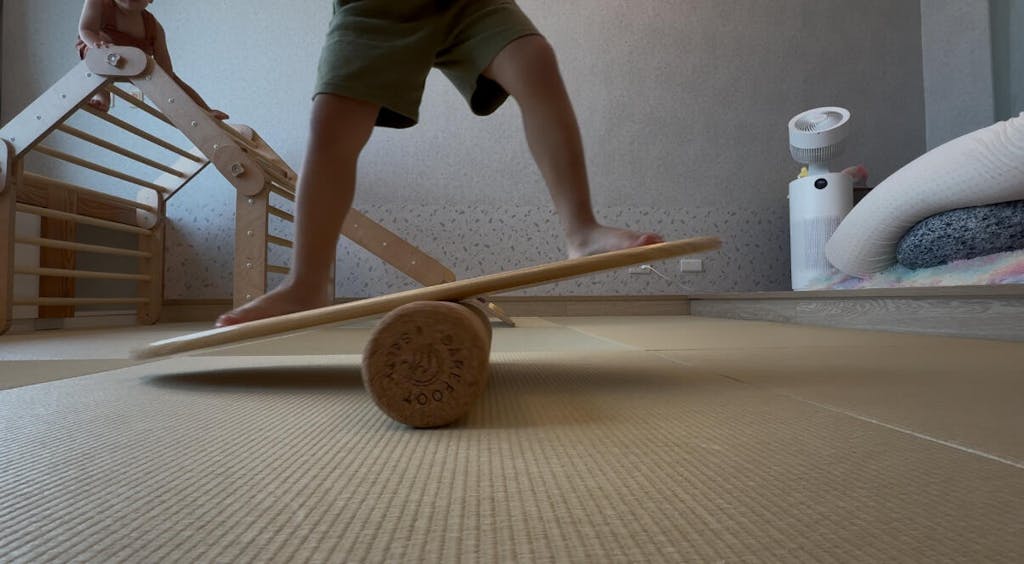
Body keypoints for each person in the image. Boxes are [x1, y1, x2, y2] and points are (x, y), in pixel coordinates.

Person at [215, 0, 663, 326]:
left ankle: (581, 229)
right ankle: (307, 284)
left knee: (533, 59)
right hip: (372, 9)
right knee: (332, 122)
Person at [77, 0, 228, 119]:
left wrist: (166, 86)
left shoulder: (154, 27)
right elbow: (86, 29)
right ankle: (102, 99)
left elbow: (166, 70)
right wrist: (99, 46)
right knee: (95, 60)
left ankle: (204, 110)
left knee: (171, 80)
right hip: (104, 53)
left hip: (135, 64)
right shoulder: (100, 3)